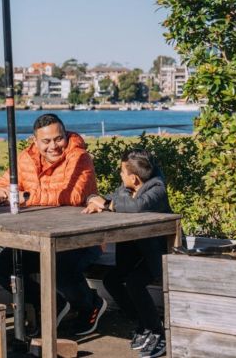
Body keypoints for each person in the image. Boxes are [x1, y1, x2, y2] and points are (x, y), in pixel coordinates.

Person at [0, 113, 107, 336]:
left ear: (65, 135)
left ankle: (90, 304)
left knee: (59, 267)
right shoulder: (24, 159)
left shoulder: (80, 157)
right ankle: (53, 305)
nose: (53, 146)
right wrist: (2, 194)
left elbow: (73, 195)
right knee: (1, 268)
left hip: (82, 239)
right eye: (46, 141)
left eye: (58, 138)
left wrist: (26, 196)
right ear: (35, 140)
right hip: (37, 239)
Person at [82, 148, 170, 358]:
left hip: (159, 253)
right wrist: (94, 200)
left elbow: (137, 206)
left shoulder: (157, 189)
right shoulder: (129, 188)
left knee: (134, 282)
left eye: (123, 173)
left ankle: (158, 332)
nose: (120, 176)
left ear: (135, 178)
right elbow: (112, 197)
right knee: (112, 280)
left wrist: (107, 203)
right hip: (135, 250)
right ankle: (143, 323)